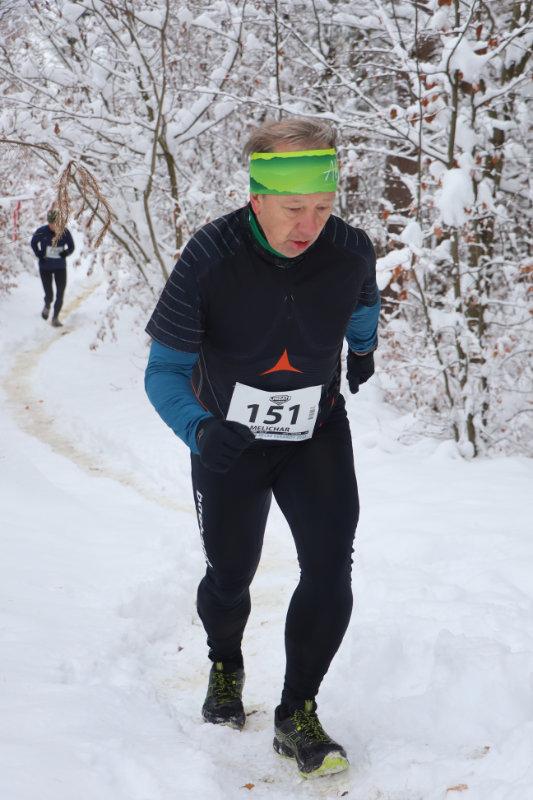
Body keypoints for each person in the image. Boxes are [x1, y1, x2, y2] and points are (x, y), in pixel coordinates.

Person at [144, 118, 380, 779]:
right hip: (229, 440)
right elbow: (163, 372)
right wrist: (199, 429)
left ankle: (295, 711)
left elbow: (362, 300)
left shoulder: (349, 249)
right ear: (257, 198)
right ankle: (225, 662)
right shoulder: (211, 256)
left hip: (315, 433)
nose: (310, 225)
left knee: (330, 569)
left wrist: (362, 348)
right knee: (230, 574)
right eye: (293, 208)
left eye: (323, 207)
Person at [30, 209, 75, 327]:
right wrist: (39, 254)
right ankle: (47, 305)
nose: (53, 226)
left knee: (60, 293)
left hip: (60, 267)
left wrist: (65, 253)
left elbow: (71, 246)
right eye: (51, 223)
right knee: (49, 294)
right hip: (45, 267)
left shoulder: (65, 232)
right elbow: (33, 242)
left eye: (55, 223)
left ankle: (55, 318)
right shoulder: (41, 231)